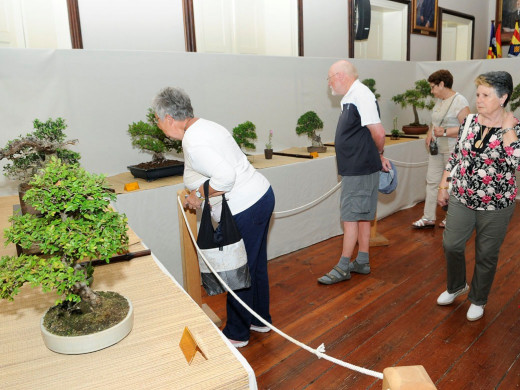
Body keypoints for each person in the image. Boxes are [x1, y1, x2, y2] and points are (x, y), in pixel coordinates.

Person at [152, 87, 275, 348]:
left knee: (237, 269)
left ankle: (237, 332)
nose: (159, 126)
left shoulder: (193, 141)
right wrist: (202, 191)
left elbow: (225, 178)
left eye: (158, 120)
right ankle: (260, 319)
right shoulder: (205, 126)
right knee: (254, 265)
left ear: (170, 118)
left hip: (246, 206)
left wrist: (198, 193)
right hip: (260, 195)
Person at [436, 71, 520, 321]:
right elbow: (457, 156)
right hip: (462, 196)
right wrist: (444, 183)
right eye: (478, 94)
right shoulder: (470, 121)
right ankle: (457, 286)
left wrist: (507, 130)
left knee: (486, 253)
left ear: (503, 97)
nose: (479, 99)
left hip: (497, 204)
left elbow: (518, 160)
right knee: (451, 244)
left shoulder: (514, 126)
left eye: (486, 95)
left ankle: (478, 299)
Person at [318, 60, 391, 285]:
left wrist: (378, 154)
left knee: (350, 216)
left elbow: (378, 133)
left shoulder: (361, 95)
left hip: (359, 168)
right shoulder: (352, 96)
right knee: (361, 215)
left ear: (340, 76)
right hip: (358, 166)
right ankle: (362, 260)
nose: (329, 83)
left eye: (329, 77)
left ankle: (343, 267)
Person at [412, 70, 470, 229]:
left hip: (453, 150)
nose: (431, 91)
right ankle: (428, 217)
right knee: (431, 182)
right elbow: (435, 122)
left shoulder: (460, 101)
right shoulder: (440, 100)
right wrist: (430, 133)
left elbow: (468, 128)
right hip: (437, 150)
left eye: (433, 87)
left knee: (451, 185)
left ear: (442, 84)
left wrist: (445, 132)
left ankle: (450, 218)